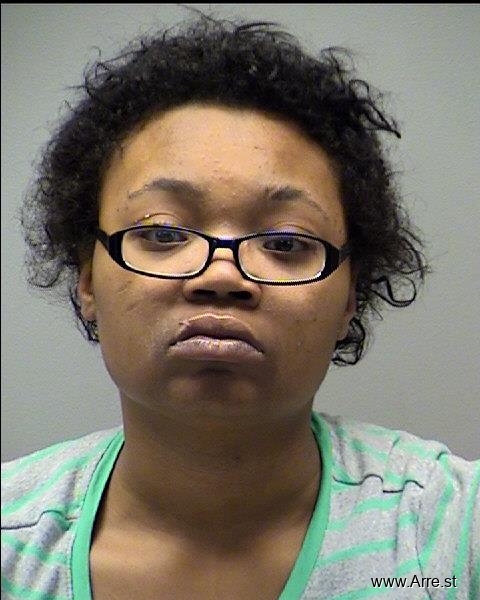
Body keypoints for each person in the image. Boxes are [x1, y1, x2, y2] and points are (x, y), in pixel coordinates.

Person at [2, 13, 478, 600]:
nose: (221, 277)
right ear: (87, 278)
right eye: (163, 232)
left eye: (286, 242)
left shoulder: (450, 539)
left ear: (351, 296)